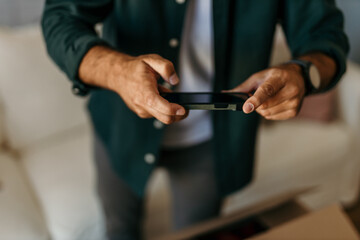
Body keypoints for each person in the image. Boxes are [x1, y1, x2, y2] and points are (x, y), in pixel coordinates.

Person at [41, 0, 348, 239]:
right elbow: (60, 17)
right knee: (119, 229)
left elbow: (325, 38)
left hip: (213, 141)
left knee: (198, 234)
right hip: (121, 126)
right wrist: (117, 71)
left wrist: (303, 74)